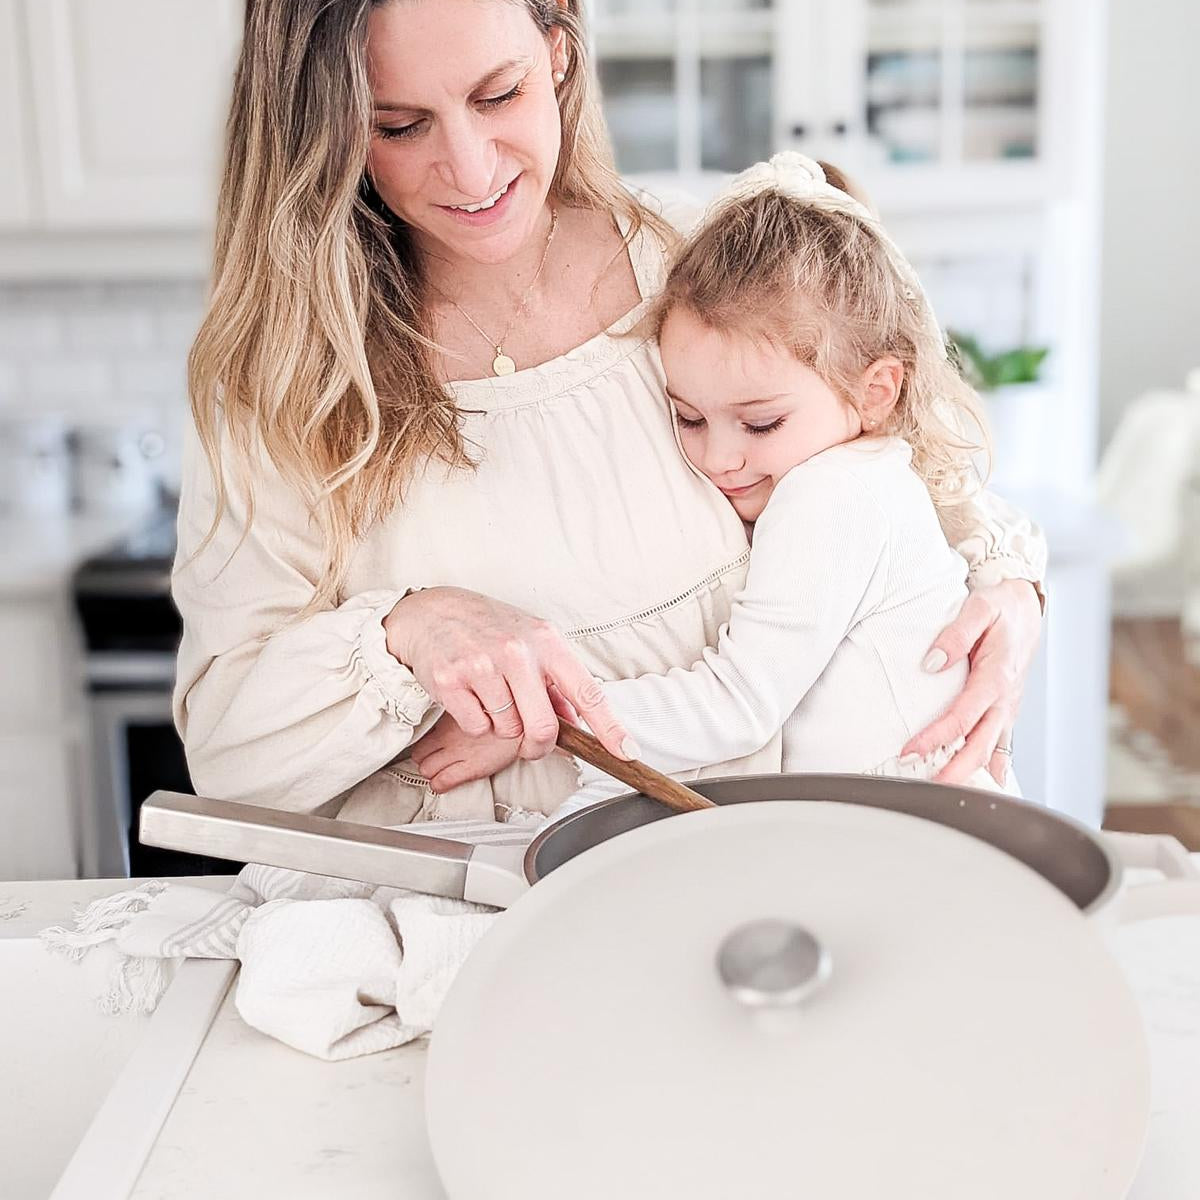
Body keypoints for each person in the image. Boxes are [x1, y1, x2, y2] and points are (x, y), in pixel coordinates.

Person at [174, 0, 1045, 829]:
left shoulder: (705, 270)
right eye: (399, 125)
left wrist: (1013, 595)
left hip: (753, 889)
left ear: (558, 45)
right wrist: (411, 627)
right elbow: (229, 754)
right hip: (470, 910)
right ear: (322, 129)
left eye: (498, 94)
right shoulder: (283, 382)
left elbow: (916, 482)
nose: (472, 169)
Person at [410, 152, 1018, 807]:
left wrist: (547, 721)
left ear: (875, 392)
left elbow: (738, 706)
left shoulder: (835, 494)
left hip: (921, 833)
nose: (720, 457)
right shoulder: (856, 474)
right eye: (690, 417)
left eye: (760, 424)